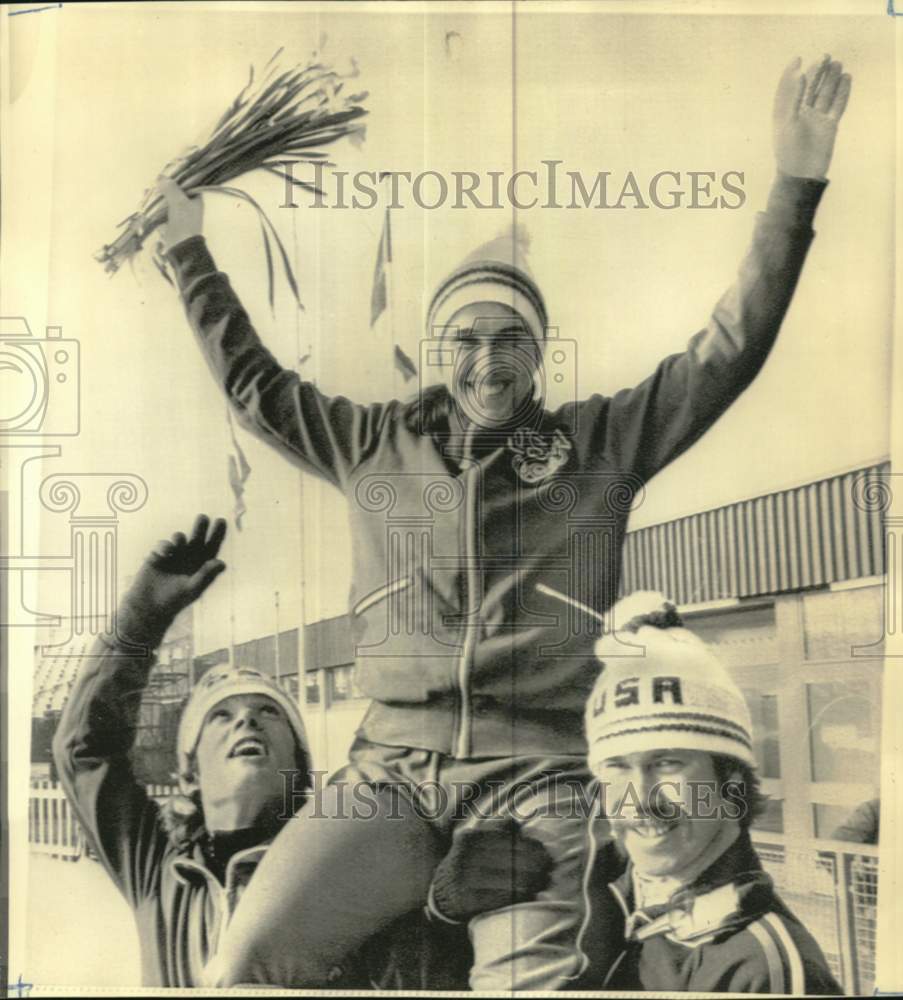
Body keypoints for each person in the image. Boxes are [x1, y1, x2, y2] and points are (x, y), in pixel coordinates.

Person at [155, 54, 851, 989]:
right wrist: (186, 251)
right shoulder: (372, 443)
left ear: (540, 354)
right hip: (388, 776)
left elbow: (726, 352)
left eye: (512, 340)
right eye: (468, 342)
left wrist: (795, 184)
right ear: (440, 352)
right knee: (243, 962)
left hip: (541, 782)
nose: (490, 363)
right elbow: (253, 386)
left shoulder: (599, 443)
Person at [53, 515, 548, 988]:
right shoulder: (156, 873)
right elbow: (83, 750)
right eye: (220, 716)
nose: (245, 721)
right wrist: (141, 619)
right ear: (190, 773)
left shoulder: (346, 867)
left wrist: (442, 914)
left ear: (299, 763)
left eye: (269, 714)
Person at [571, 592, 844, 994]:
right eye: (617, 766)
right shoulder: (593, 894)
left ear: (730, 785)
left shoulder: (763, 969)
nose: (639, 797)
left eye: (667, 763)